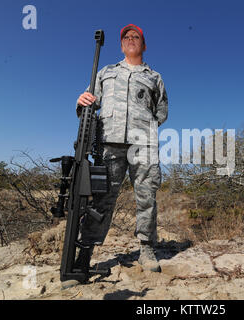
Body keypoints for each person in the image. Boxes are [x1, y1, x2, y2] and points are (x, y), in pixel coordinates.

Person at [74, 24, 168, 278]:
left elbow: (162, 111)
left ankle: (147, 249)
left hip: (143, 144)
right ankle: (85, 251)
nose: (131, 39)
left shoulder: (154, 77)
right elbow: (88, 102)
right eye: (126, 37)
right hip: (109, 142)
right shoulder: (106, 72)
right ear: (121, 44)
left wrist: (145, 128)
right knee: (101, 199)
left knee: (146, 197)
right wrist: (81, 101)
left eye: (136, 36)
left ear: (144, 45)